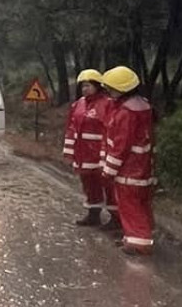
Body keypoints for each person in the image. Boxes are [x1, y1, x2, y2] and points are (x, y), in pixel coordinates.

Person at [100, 65, 157, 256]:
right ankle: (134, 238)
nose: (109, 92)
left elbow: (120, 145)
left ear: (121, 89)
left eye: (111, 88)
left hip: (129, 170)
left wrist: (108, 170)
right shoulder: (143, 105)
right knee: (141, 204)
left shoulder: (126, 112)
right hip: (143, 167)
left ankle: (139, 243)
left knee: (130, 205)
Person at [63, 69, 115, 227]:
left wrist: (106, 154)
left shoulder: (107, 103)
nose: (85, 89)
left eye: (88, 85)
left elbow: (111, 129)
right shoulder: (78, 104)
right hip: (83, 154)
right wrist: (69, 151)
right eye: (83, 86)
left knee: (108, 185)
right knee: (89, 185)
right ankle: (93, 214)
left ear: (97, 86)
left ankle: (116, 217)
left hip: (100, 154)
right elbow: (71, 127)